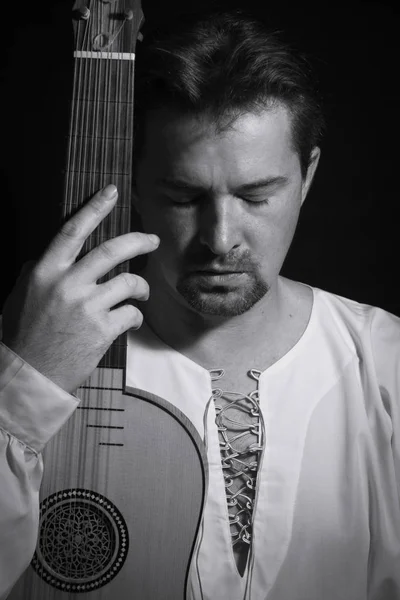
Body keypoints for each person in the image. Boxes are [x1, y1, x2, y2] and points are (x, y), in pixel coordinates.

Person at [1, 7, 399, 600]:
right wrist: (24, 389)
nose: (220, 238)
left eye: (257, 195)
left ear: (307, 175)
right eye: (185, 196)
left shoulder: (387, 364)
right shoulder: (29, 360)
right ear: (135, 184)